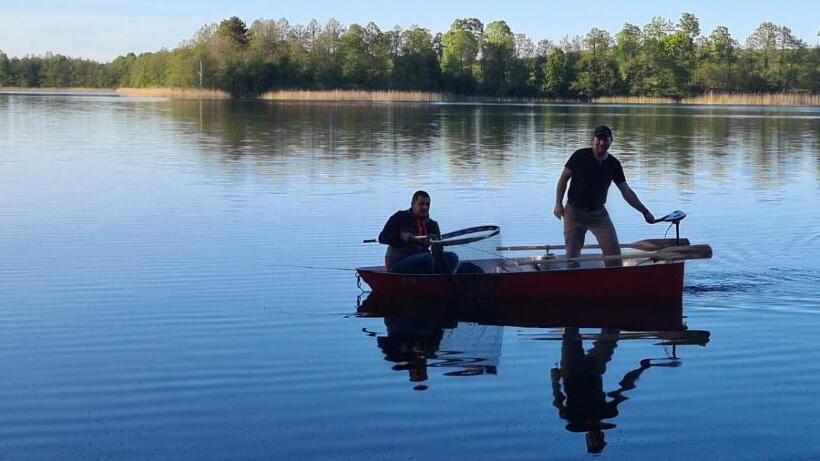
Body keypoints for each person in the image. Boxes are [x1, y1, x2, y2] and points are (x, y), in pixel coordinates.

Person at [553, 126, 655, 262]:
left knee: (614, 255)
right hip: (574, 213)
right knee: (572, 258)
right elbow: (563, 179)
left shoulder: (614, 164)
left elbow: (626, 191)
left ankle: (613, 280)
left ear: (611, 141)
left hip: (598, 214)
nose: (602, 143)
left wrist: (644, 211)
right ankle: (573, 279)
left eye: (605, 139)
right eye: (599, 139)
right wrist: (558, 203)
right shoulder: (580, 156)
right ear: (593, 140)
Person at [378, 190, 459, 274]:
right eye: (421, 204)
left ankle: (443, 281)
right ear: (412, 204)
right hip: (398, 261)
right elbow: (382, 238)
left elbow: (439, 251)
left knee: (452, 257)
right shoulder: (400, 217)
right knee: (427, 258)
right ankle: (431, 282)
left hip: (423, 259)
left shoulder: (432, 224)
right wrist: (401, 237)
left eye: (427, 204)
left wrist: (434, 244)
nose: (425, 207)